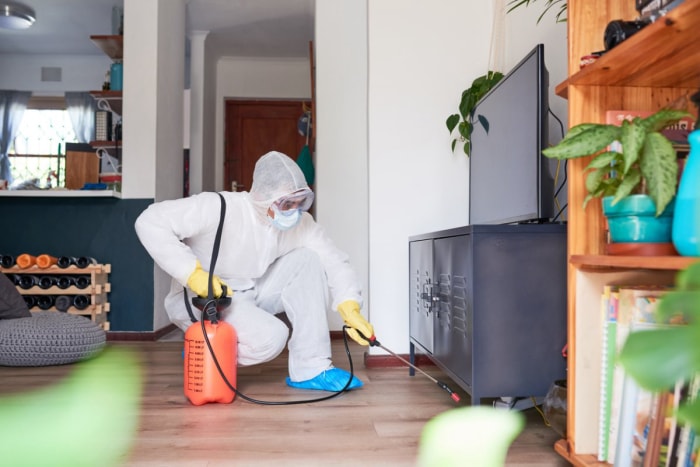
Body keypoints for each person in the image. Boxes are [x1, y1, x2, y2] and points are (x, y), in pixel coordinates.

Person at [134, 150, 374, 392]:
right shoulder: (219, 207)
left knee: (308, 259)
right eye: (287, 203)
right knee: (273, 338)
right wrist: (193, 273)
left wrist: (349, 304)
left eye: (299, 203)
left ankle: (311, 368)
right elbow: (150, 221)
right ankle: (204, 351)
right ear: (263, 196)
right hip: (206, 298)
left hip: (252, 290)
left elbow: (333, 260)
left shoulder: (300, 225)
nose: (294, 211)